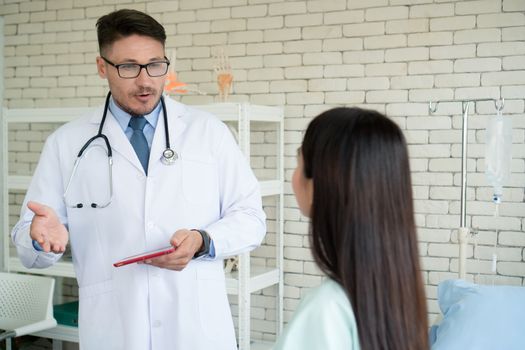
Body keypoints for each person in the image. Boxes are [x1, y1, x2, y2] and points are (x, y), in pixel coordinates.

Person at [11, 9, 266, 350]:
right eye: (129, 67)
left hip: (196, 330)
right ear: (103, 67)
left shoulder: (209, 133)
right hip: (115, 330)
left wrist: (203, 241)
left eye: (156, 65)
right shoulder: (66, 143)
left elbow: (251, 219)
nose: (146, 81)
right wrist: (40, 239)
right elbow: (29, 245)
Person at [274, 107, 429, 350]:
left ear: (317, 186)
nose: (293, 177)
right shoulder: (401, 296)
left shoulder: (326, 311)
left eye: (298, 161)